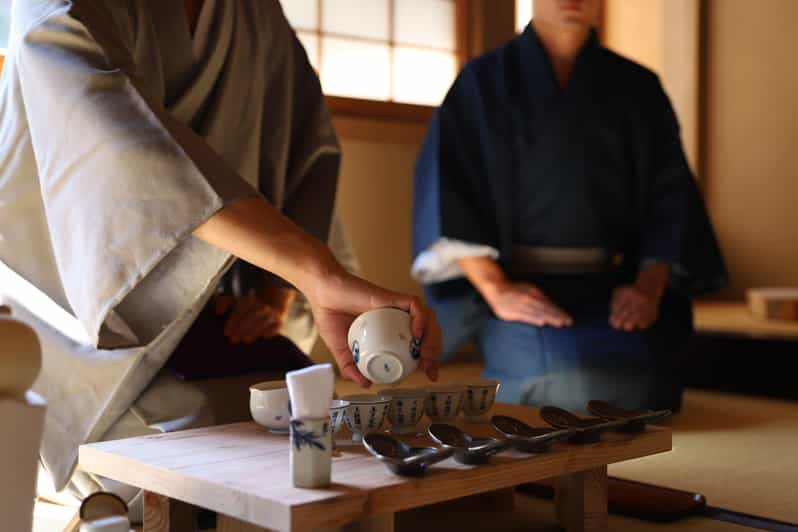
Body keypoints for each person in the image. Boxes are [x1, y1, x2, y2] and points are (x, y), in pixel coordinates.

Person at [0, 0, 441, 511]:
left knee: (318, 437)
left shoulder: (254, 13)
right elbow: (118, 138)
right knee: (188, 466)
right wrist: (312, 270)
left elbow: (306, 145)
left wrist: (277, 287)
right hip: (67, 310)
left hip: (206, 312)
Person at [412, 0, 724, 413]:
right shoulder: (481, 83)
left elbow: (670, 196)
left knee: (645, 383)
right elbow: (448, 191)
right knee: (563, 380)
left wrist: (647, 289)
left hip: (611, 287)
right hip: (518, 286)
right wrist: (498, 289)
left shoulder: (639, 87)